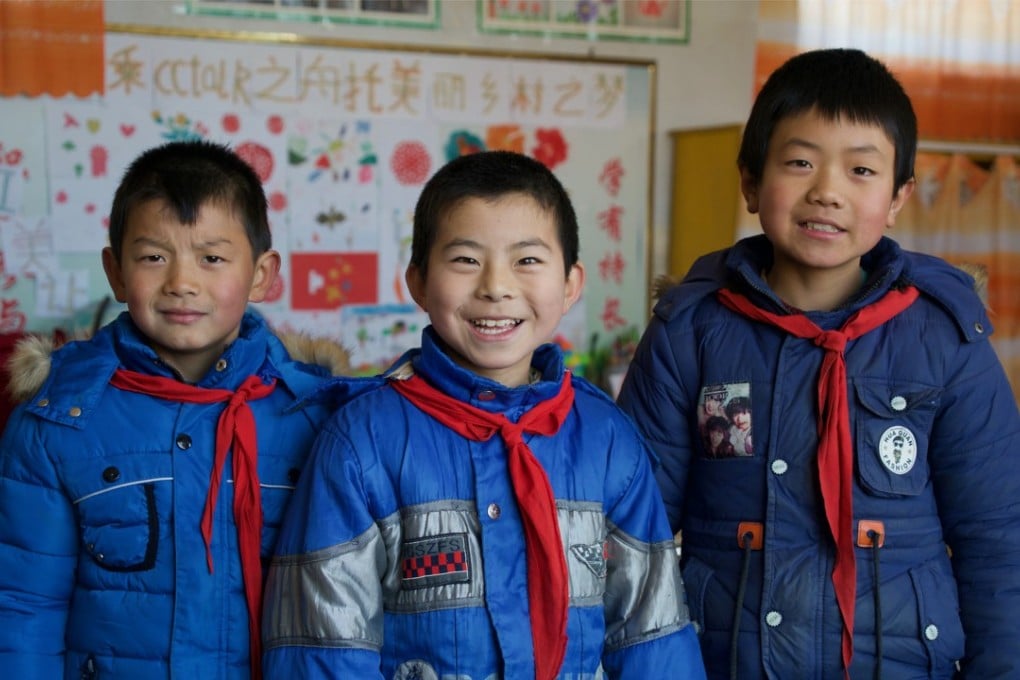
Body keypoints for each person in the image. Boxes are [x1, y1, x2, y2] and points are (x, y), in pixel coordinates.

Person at [617, 48, 1020, 680]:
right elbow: (631, 535)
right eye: (800, 162)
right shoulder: (688, 331)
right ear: (751, 182)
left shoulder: (945, 339)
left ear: (897, 197)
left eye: (861, 169)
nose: (827, 191)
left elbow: (1000, 540)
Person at [261, 150, 706, 679]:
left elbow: (650, 634)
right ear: (419, 282)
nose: (496, 286)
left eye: (527, 260)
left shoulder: (608, 438)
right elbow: (323, 647)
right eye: (466, 260)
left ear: (570, 283)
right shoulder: (362, 441)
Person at [0, 140, 349, 679]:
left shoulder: (317, 416)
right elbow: (24, 609)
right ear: (116, 271)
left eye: (212, 258)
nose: (182, 283)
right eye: (153, 257)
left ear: (261, 273)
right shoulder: (57, 421)